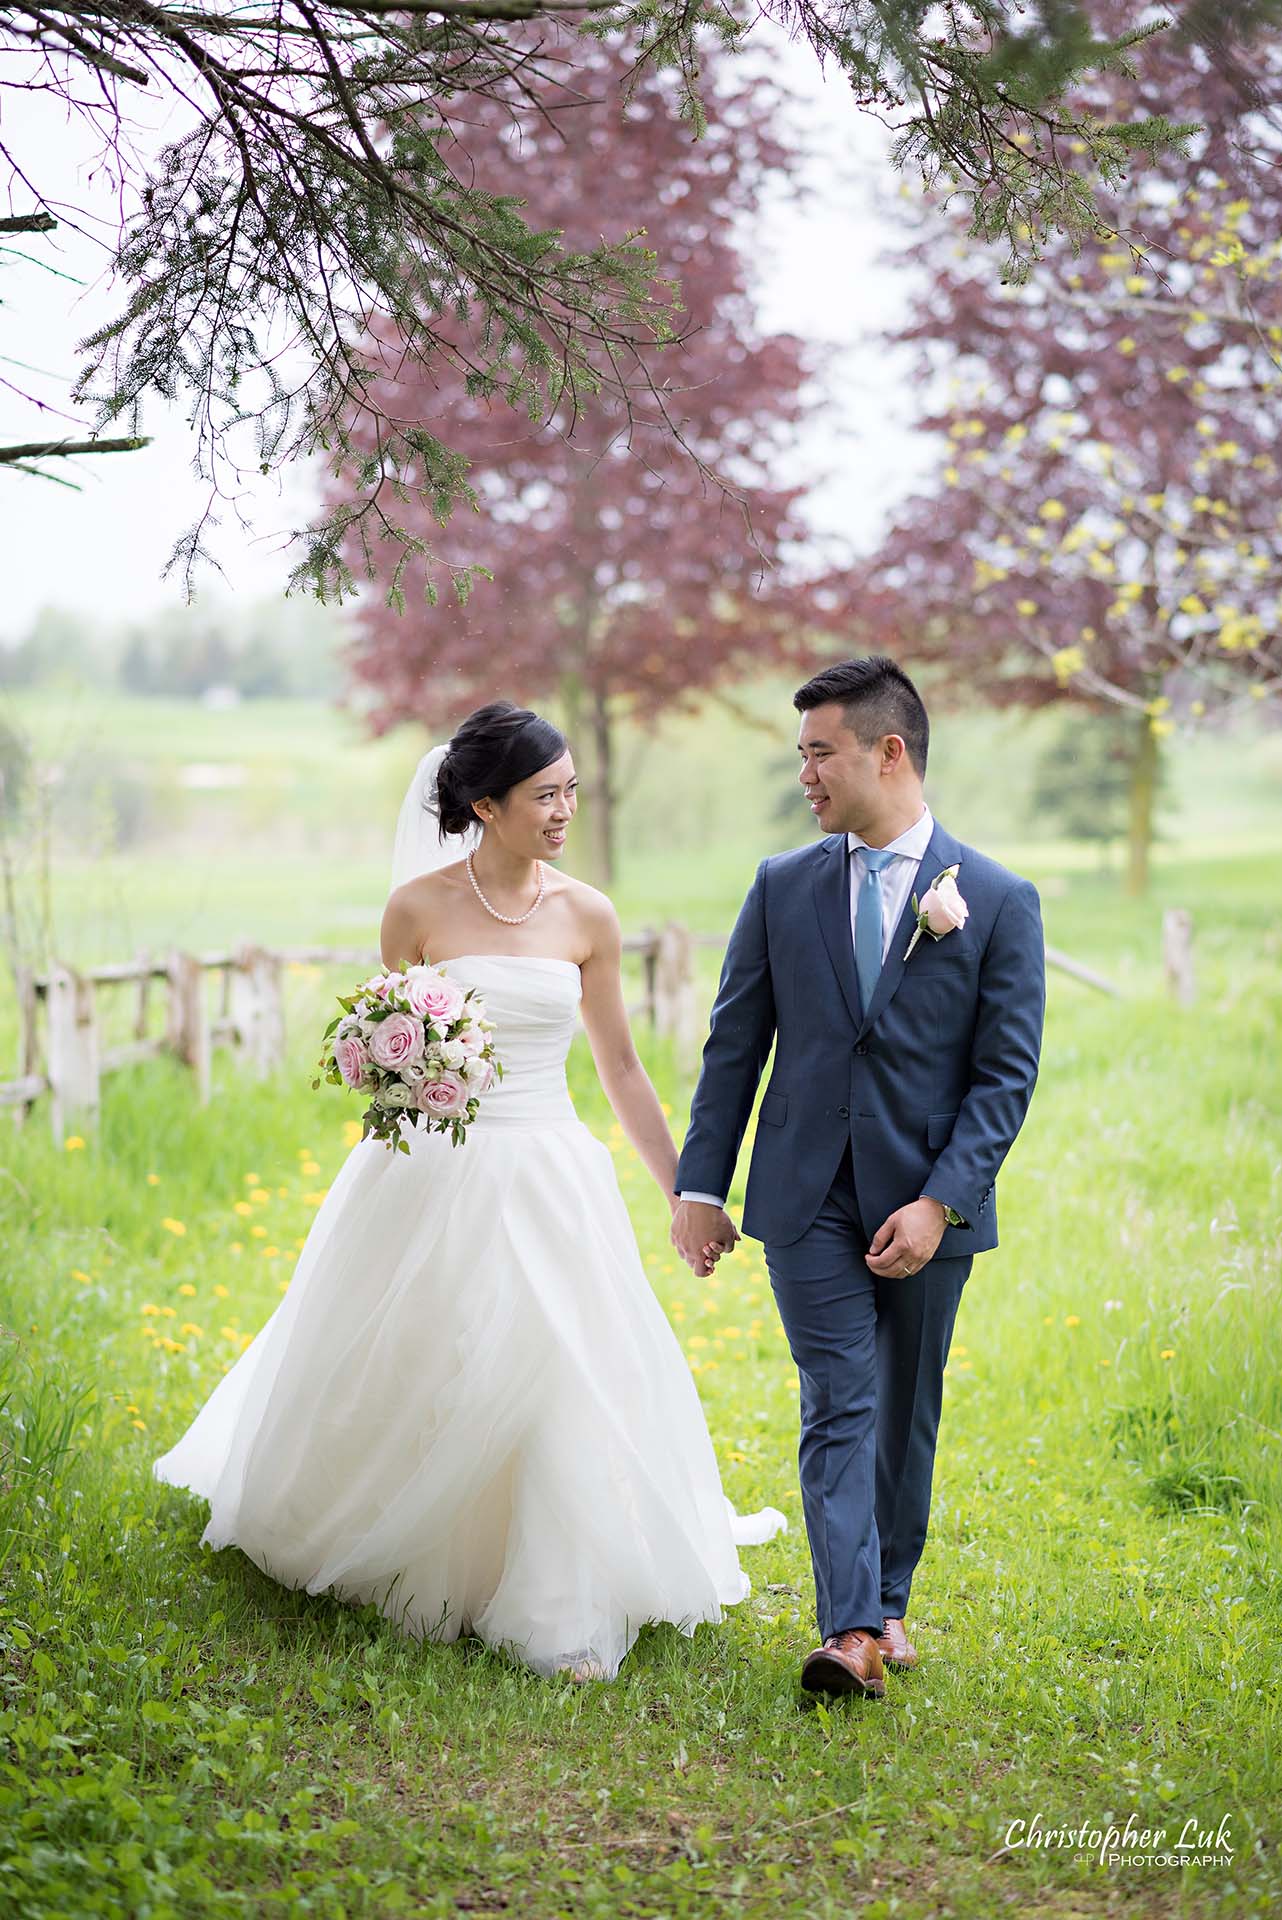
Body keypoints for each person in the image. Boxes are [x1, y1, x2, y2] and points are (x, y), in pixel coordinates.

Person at [153, 700, 784, 1683]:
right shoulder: (415, 909)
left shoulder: (588, 914)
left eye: (573, 789)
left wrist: (683, 1191)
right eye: (546, 795)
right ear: (485, 806)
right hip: (432, 1169)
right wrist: (403, 1080)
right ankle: (405, 1536)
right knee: (429, 1351)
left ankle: (552, 1586)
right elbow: (386, 1056)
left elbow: (619, 1068)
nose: (566, 809)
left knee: (557, 1362)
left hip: (548, 1169)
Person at [671, 657, 1045, 1699]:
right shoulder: (780, 886)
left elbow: (1004, 1079)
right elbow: (732, 1047)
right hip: (802, 1195)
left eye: (820, 751)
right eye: (799, 755)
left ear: (888, 753)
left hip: (927, 1194)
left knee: (904, 1405)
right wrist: (701, 1186)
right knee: (840, 1394)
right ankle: (847, 1632)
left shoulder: (999, 902)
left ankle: (884, 1601)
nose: (805, 774)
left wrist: (939, 1202)